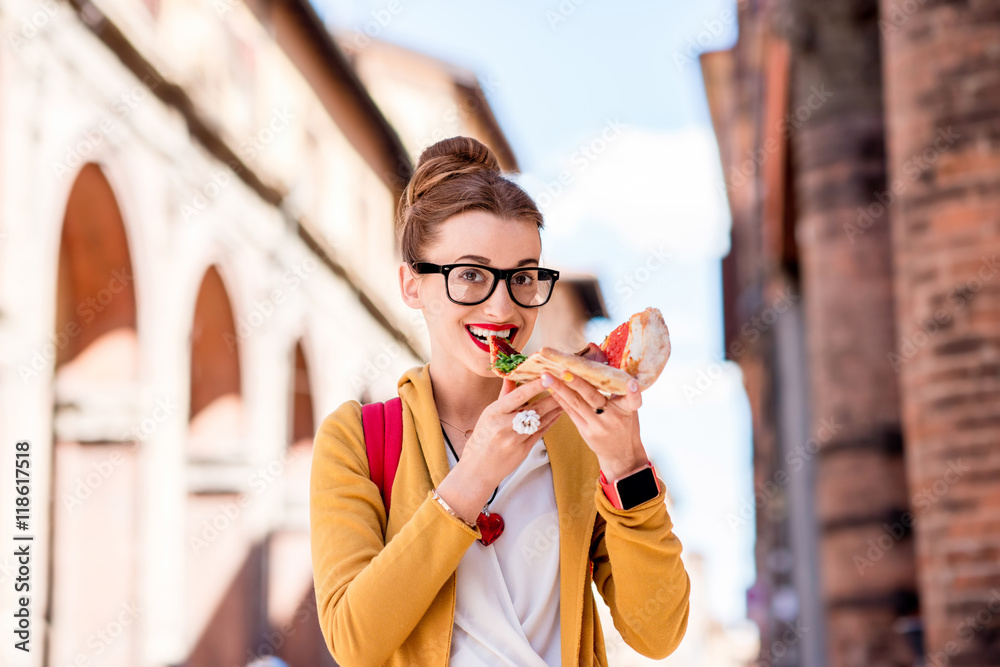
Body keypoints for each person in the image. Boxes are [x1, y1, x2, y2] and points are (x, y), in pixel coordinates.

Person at [310, 136, 690, 666]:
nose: (502, 305)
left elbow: (659, 632)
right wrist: (473, 478)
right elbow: (354, 642)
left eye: (523, 276)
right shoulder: (358, 438)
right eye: (469, 274)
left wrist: (627, 465)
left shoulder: (577, 433)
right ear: (411, 285)